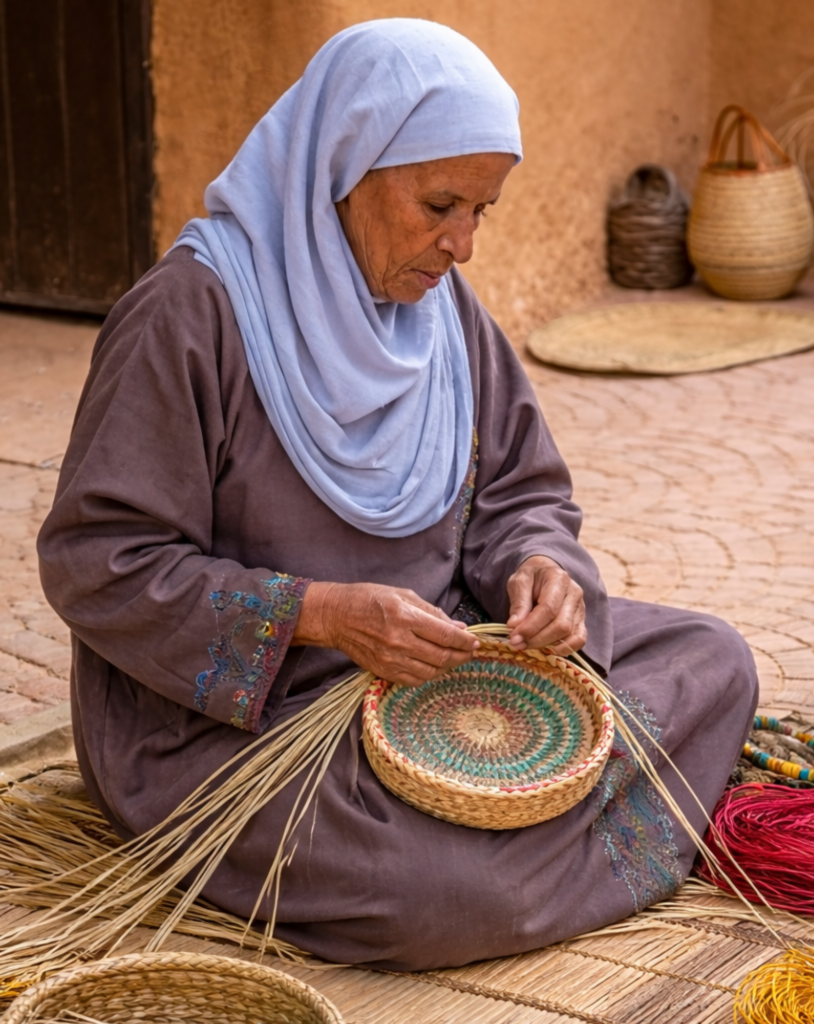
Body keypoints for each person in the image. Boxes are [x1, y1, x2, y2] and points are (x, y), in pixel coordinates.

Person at [36, 19, 757, 971]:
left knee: (716, 661)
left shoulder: (441, 312)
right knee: (451, 893)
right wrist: (320, 614)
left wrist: (542, 569)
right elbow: (99, 565)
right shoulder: (189, 318)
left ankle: (518, 843)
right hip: (252, 718)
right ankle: (529, 864)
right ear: (345, 165)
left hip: (439, 669)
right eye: (439, 203)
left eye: (481, 211)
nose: (460, 244)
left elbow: (519, 490)